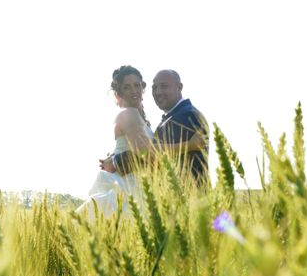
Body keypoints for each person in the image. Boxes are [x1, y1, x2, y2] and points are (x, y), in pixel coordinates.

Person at [100, 69, 209, 184]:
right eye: (155, 87)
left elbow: (150, 156)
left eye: (164, 86)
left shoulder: (186, 115)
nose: (158, 92)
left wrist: (115, 161)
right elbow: (148, 151)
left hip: (187, 191)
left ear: (179, 87)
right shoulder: (169, 117)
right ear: (119, 92)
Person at [76, 65, 154, 218]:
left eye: (137, 85)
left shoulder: (139, 118)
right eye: (127, 87)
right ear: (119, 93)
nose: (134, 91)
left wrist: (115, 158)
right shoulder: (129, 113)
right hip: (129, 187)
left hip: (135, 182)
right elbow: (146, 155)